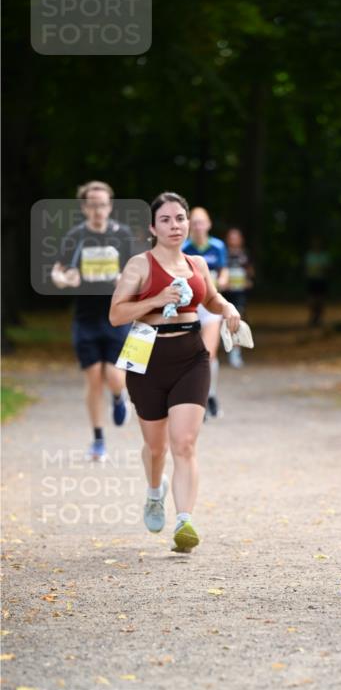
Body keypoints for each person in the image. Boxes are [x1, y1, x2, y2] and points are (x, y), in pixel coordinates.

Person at [109, 193, 240, 553]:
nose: (175, 225)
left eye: (180, 218)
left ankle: (184, 522)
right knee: (155, 447)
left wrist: (227, 308)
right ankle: (155, 493)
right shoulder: (139, 265)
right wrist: (156, 299)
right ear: (153, 227)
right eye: (165, 219)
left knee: (184, 443)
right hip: (147, 356)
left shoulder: (198, 263)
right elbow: (117, 315)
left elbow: (210, 299)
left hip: (190, 356)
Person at [51, 181, 134, 461]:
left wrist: (125, 280)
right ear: (85, 207)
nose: (98, 209)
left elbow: (135, 272)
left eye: (103, 204)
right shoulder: (76, 236)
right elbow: (58, 271)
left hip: (116, 315)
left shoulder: (121, 235)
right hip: (85, 318)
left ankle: (119, 397)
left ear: (110, 206)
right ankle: (98, 440)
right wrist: (64, 279)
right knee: (93, 378)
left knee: (113, 375)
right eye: (93, 204)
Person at [181, 207, 229, 417]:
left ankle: (209, 395)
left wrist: (221, 282)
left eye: (202, 222)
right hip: (189, 306)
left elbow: (224, 271)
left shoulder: (218, 246)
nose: (199, 226)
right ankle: (192, 397)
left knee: (208, 353)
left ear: (208, 224)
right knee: (190, 353)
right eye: (195, 222)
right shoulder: (184, 247)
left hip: (210, 304)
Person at [221, 228, 254, 368]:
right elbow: (218, 271)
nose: (234, 240)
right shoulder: (223, 254)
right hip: (225, 294)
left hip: (240, 294)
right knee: (222, 322)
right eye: (231, 237)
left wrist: (248, 280)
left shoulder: (245, 255)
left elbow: (250, 272)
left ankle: (235, 354)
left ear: (241, 239)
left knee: (237, 321)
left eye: (236, 237)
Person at [304, 236, 331, 327]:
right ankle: (313, 317)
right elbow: (306, 269)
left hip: (321, 280)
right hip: (312, 280)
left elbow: (327, 268)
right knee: (311, 300)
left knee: (321, 300)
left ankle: (319, 318)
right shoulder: (309, 255)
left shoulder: (324, 255)